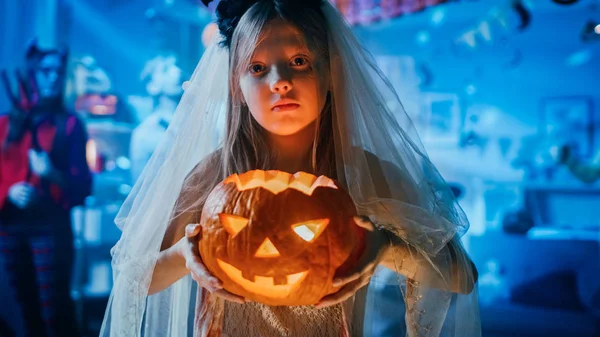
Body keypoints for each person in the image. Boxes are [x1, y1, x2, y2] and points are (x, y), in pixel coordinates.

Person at [100, 1, 481, 336]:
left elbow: (461, 277)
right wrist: (185, 254)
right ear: (236, 85)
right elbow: (137, 278)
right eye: (258, 68)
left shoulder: (365, 172)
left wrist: (384, 249)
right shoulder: (216, 172)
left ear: (330, 72)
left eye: (298, 62)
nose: (279, 82)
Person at [0, 41, 92, 337]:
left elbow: (83, 185)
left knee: (55, 312)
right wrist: (9, 191)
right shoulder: (6, 125)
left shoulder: (70, 125)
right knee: (21, 310)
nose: (53, 77)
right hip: (10, 226)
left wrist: (51, 173)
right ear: (33, 74)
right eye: (46, 71)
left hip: (50, 226)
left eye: (58, 72)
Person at [130, 55, 185, 182]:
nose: (176, 71)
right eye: (165, 69)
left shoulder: (200, 120)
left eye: (176, 66)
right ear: (152, 86)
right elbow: (139, 186)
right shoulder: (143, 134)